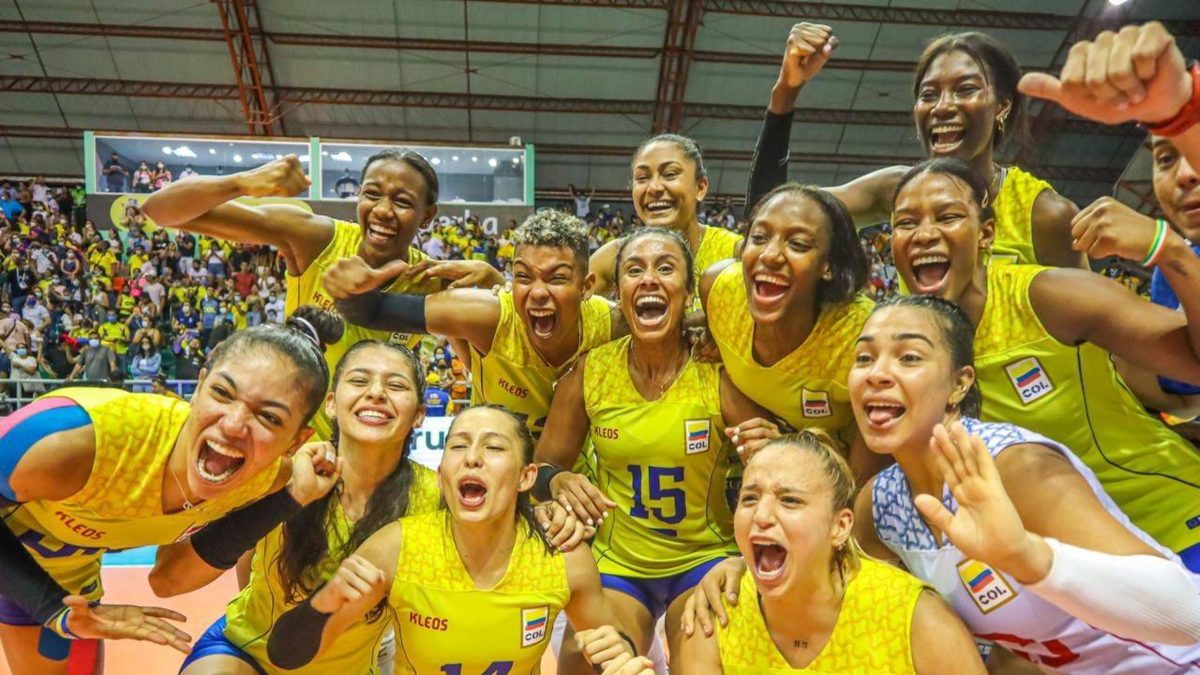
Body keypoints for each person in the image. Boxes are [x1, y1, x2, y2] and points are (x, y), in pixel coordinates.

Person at [686, 296, 1200, 672]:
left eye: (908, 357)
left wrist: (1027, 556)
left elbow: (1190, 614)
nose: (877, 373)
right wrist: (738, 566)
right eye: (864, 358)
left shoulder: (1015, 466)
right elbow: (819, 559)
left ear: (960, 383)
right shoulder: (882, 504)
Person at [0, 316, 344, 675]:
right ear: (199, 385)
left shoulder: (268, 479)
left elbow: (168, 580)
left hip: (65, 561)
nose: (232, 425)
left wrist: (290, 499)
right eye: (222, 393)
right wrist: (50, 608)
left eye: (269, 418)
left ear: (296, 441)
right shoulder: (71, 440)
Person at [535, 228, 771, 672]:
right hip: (619, 565)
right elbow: (543, 467)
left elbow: (774, 463)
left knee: (702, 666)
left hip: (703, 561)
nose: (648, 279)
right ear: (619, 293)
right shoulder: (592, 371)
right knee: (584, 665)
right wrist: (558, 479)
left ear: (688, 292)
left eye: (665, 268)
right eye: (633, 270)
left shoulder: (717, 371)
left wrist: (768, 449)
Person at [143, 149, 502, 440]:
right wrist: (242, 182)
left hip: (371, 456)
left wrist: (495, 288)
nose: (382, 210)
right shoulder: (316, 239)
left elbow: (484, 372)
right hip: (291, 445)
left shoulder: (432, 281)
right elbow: (160, 210)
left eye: (402, 201)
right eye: (372, 194)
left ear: (428, 215)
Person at [264, 405, 637, 674]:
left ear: (525, 477)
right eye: (458, 446)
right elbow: (284, 655)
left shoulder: (562, 556)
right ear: (442, 475)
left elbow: (613, 648)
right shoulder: (397, 546)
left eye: (493, 447)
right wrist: (324, 601)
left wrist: (621, 658)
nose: (472, 457)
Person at [745, 24, 1082, 271]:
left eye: (965, 89)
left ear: (1002, 106)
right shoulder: (897, 191)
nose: (942, 107)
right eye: (929, 95)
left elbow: (1098, 333)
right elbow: (768, 213)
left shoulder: (1044, 214)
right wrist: (785, 92)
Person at [677, 432, 984, 673]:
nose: (762, 515)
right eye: (749, 499)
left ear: (840, 526)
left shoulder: (916, 618)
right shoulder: (712, 617)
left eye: (790, 500)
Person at [328, 210, 620, 439]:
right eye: (523, 276)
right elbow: (371, 310)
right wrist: (350, 288)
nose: (539, 292)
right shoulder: (487, 315)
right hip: (487, 472)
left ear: (586, 287)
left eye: (557, 278)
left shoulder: (610, 325)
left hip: (568, 481)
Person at [700, 182, 883, 481]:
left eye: (797, 244)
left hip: (836, 476)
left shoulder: (864, 336)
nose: (770, 255)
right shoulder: (718, 289)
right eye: (759, 238)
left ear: (828, 265)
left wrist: (790, 453)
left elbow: (860, 485)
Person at [589, 135, 743, 305]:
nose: (654, 187)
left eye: (669, 174)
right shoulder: (615, 256)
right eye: (642, 178)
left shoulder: (735, 252)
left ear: (700, 187)